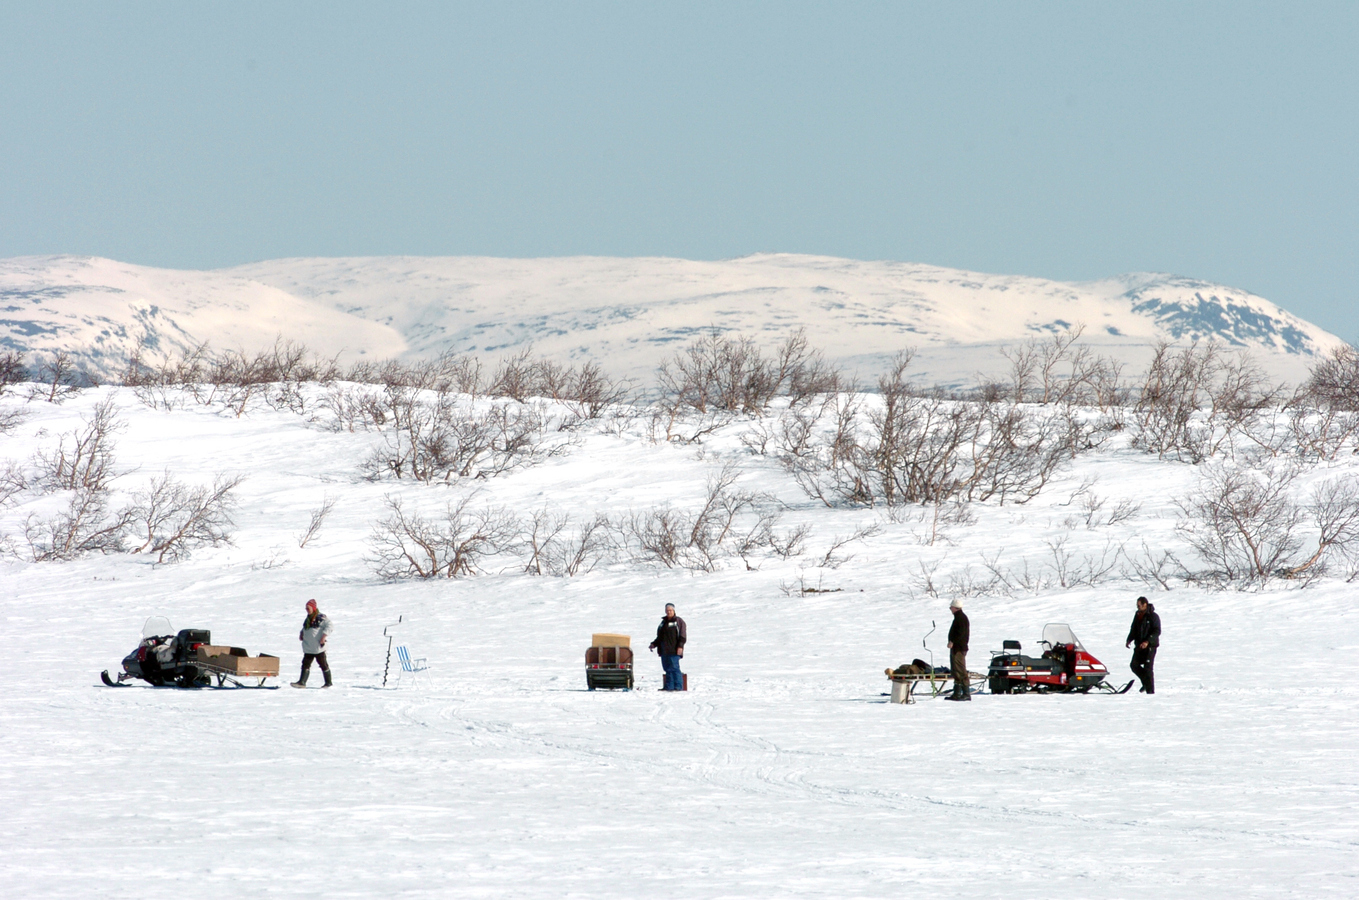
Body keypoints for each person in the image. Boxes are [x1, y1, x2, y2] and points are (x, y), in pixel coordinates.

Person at [292, 599, 333, 688]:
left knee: (323, 664)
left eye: (308, 608)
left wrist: (324, 636)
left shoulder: (321, 617)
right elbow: (306, 628)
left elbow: (330, 625)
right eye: (306, 608)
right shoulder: (307, 619)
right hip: (308, 647)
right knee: (305, 664)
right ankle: (302, 682)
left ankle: (328, 683)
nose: (307, 609)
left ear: (313, 608)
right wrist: (301, 633)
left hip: (318, 647)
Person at [1126, 595, 1161, 694]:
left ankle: (1150, 691)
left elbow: (1157, 631)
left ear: (1145, 604)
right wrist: (1129, 639)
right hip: (1139, 645)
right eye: (1137, 606)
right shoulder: (1137, 615)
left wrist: (1147, 641)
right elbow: (1133, 629)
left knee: (1148, 668)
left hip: (1150, 646)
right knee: (1134, 665)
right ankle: (1146, 683)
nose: (1138, 607)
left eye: (1139, 605)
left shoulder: (1153, 616)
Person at [648, 603, 687, 691]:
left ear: (674, 611)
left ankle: (678, 687)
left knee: (674, 668)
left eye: (670, 610)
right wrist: (653, 644)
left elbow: (683, 636)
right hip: (664, 651)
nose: (669, 612)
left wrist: (680, 646)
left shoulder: (679, 621)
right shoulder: (663, 623)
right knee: (667, 669)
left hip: (674, 650)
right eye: (667, 610)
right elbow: (660, 637)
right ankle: (669, 686)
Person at [945, 597, 971, 701]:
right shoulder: (959, 617)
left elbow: (960, 633)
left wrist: (953, 641)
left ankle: (966, 693)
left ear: (955, 608)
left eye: (951, 607)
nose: (950, 609)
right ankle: (957, 693)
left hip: (959, 648)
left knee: (960, 670)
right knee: (956, 670)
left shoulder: (961, 618)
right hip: (957, 648)